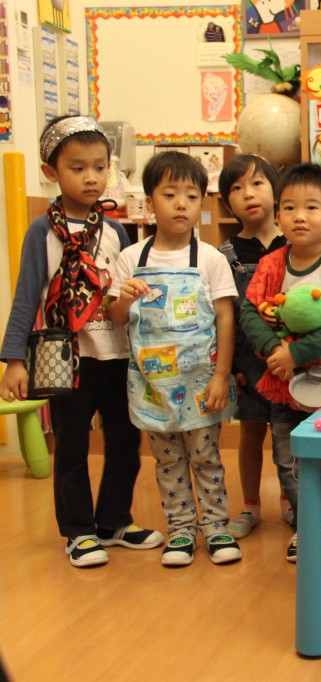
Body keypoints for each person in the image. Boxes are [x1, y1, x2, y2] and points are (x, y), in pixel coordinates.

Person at [0, 116, 162, 568]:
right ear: (50, 171)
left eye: (99, 167)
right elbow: (26, 296)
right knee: (71, 446)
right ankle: (78, 531)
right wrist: (14, 360)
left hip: (117, 353)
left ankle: (113, 521)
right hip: (65, 358)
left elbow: (123, 290)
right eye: (77, 168)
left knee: (125, 442)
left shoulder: (116, 231)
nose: (91, 177)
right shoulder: (42, 231)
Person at [109, 151, 240, 567]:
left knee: (206, 457)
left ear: (202, 202)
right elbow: (115, 318)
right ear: (150, 201)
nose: (181, 204)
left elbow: (225, 319)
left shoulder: (211, 258)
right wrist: (122, 299)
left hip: (202, 384)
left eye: (191, 196)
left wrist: (221, 376)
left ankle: (216, 527)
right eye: (169, 195)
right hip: (152, 386)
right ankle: (181, 529)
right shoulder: (132, 258)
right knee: (167, 461)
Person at [239, 163, 321, 562]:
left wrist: (297, 353)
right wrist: (276, 351)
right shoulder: (272, 264)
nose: (299, 216)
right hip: (283, 382)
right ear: (278, 217)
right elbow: (249, 311)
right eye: (289, 208)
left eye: (311, 207)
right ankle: (306, 524)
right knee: (288, 457)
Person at [217, 154, 288, 539]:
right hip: (247, 363)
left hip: (289, 360)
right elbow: (223, 316)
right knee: (250, 434)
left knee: (288, 435)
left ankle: (291, 500)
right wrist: (230, 368)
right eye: (237, 188)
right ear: (227, 203)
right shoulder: (224, 255)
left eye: (258, 183)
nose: (248, 194)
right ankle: (250, 505)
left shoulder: (294, 243)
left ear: (276, 192)